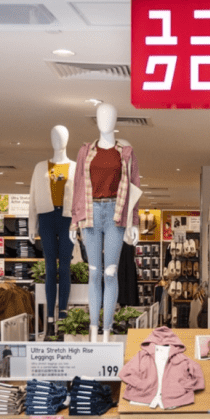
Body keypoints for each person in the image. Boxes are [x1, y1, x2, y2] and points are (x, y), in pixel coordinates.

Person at [71, 103, 142, 343]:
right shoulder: (85, 151)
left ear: (116, 120)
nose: (105, 120)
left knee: (111, 273)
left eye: (110, 116)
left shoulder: (126, 152)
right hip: (90, 212)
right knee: (94, 273)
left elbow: (134, 188)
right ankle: (93, 330)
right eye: (101, 116)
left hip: (115, 213)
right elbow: (78, 186)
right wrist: (74, 220)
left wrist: (134, 222)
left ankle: (107, 331)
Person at [28, 125, 77, 338]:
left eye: (62, 136)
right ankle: (49, 320)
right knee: (50, 268)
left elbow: (82, 199)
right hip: (46, 217)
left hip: (67, 218)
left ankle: (63, 318)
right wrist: (32, 225)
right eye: (54, 136)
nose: (57, 140)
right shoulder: (40, 167)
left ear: (68, 139)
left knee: (64, 267)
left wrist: (80, 224)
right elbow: (32, 196)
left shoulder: (75, 167)